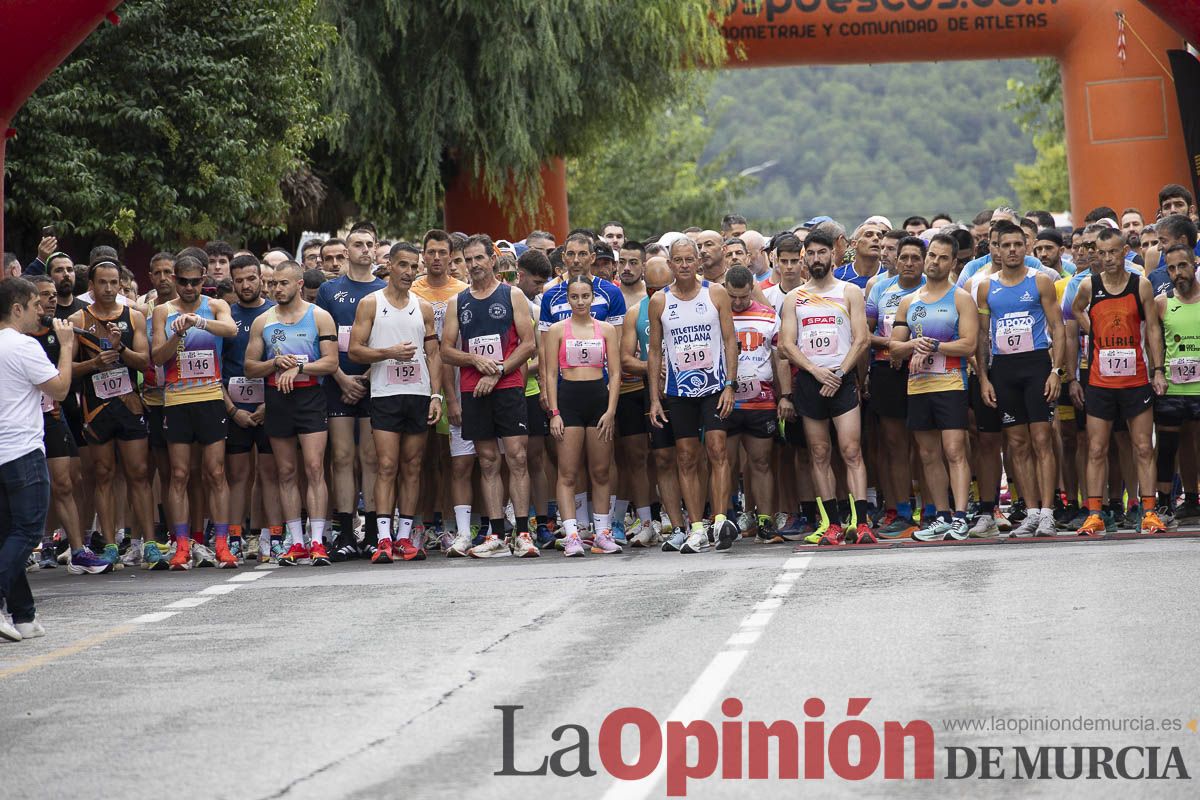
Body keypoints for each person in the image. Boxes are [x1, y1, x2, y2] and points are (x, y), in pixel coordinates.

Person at [440, 234, 537, 558]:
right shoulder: (458, 301)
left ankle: (522, 531)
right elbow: (446, 350)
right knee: (487, 461)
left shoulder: (514, 295)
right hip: (472, 388)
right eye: (467, 260)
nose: (473, 265)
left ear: (492, 259)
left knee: (517, 456)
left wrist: (497, 371)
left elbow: (528, 344)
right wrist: (474, 361)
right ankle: (495, 532)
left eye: (478, 258)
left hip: (507, 386)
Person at [349, 242, 443, 563]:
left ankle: (404, 538)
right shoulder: (370, 304)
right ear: (389, 265)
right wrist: (389, 352)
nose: (408, 272)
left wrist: (436, 395)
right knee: (387, 466)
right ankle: (384, 538)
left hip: (418, 394)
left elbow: (433, 354)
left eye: (413, 266)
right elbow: (355, 350)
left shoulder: (423, 306)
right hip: (385, 394)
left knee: (413, 466)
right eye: (402, 265)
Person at [778, 230, 873, 545]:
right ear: (806, 257)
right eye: (812, 254)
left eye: (823, 253)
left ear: (834, 254)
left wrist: (841, 372)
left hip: (842, 380)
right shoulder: (795, 298)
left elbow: (862, 338)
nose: (817, 259)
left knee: (851, 450)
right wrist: (814, 370)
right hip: (811, 380)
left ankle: (860, 523)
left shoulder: (849, 292)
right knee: (819, 452)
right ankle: (831, 523)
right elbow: (787, 345)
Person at [647, 236, 741, 554]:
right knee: (686, 457)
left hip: (713, 386)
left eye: (690, 260)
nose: (685, 266)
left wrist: (730, 384)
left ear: (698, 262)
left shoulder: (715, 293)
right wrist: (654, 399)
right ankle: (696, 527)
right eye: (679, 261)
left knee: (717, 450)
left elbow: (730, 341)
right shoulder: (660, 301)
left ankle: (719, 520)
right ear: (670, 264)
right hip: (678, 389)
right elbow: (655, 353)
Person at [975, 220, 1067, 538]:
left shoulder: (1040, 281)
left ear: (1026, 247)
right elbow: (982, 339)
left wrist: (1057, 371)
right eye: (1006, 245)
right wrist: (984, 379)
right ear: (996, 249)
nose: (1012, 250)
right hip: (1004, 368)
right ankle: (1029, 512)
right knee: (1016, 443)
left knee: (1042, 439)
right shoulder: (987, 286)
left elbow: (1058, 329)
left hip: (1036, 365)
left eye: (1018, 244)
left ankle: (1047, 512)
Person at [244, 261, 339, 566]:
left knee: (313, 468)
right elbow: (249, 367)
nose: (276, 289)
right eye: (273, 284)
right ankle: (295, 541)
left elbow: (331, 363)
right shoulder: (264, 321)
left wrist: (298, 367)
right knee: (285, 472)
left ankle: (317, 540)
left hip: (310, 395)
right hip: (277, 397)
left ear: (299, 284)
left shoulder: (319, 317)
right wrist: (275, 364)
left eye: (283, 283)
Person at [1072, 228, 1164, 535]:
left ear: (1125, 251)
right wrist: (1093, 331)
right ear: (1096, 254)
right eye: (1102, 252)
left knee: (1142, 447)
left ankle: (1149, 512)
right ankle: (1094, 513)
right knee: (1096, 448)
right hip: (1100, 381)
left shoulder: (1141, 285)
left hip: (1136, 379)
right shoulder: (1089, 284)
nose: (1108, 258)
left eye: (1114, 252)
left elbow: (1152, 328)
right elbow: (1075, 309)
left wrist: (1158, 369)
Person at [151, 255, 239, 569]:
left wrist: (198, 321)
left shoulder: (215, 306)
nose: (189, 288)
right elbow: (157, 358)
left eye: (195, 281)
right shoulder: (162, 310)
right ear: (174, 280)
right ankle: (182, 545)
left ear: (204, 279)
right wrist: (177, 333)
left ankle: (222, 544)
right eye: (183, 281)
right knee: (178, 474)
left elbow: (230, 331)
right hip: (176, 400)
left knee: (215, 472)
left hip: (211, 396)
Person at [0, 278, 76, 642]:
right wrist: (66, 346)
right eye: (34, 305)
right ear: (17, 309)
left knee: (8, 535)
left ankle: (24, 615)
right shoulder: (22, 345)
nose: (41, 311)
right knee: (28, 531)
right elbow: (59, 388)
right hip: (21, 451)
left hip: (5, 452)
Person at [890, 234, 979, 541]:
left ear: (953, 263)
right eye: (933, 257)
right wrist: (913, 344)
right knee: (928, 454)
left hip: (951, 383)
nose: (935, 262)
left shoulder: (960, 298)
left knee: (954, 450)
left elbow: (969, 345)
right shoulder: (908, 302)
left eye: (943, 258)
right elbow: (894, 347)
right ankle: (940, 515)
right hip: (918, 387)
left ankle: (961, 516)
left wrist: (934, 346)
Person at [67, 260, 156, 568]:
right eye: (101, 282)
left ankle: (150, 541)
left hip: (129, 405)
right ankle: (109, 544)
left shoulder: (134, 316)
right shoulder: (78, 318)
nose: (107, 288)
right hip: (96, 407)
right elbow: (67, 370)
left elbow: (145, 361)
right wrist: (95, 363)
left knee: (139, 473)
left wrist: (120, 352)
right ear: (91, 286)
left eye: (113, 282)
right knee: (103, 474)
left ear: (121, 284)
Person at [316, 226, 386, 556]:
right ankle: (344, 532)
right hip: (337, 382)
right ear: (346, 251)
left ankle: (372, 531)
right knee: (342, 457)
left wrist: (367, 377)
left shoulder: (384, 289)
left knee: (371, 458)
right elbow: (322, 340)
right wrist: (343, 378)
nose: (365, 249)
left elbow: (388, 342)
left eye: (370, 244)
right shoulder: (330, 291)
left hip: (376, 382)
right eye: (358, 244)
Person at [543, 277, 623, 555]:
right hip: (569, 401)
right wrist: (554, 412)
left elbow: (615, 373)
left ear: (592, 298)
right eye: (574, 297)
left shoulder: (606, 329)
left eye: (585, 296)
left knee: (600, 471)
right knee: (567, 472)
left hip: (598, 399)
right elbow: (550, 374)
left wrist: (611, 411)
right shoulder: (556, 330)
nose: (580, 302)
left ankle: (602, 532)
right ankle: (573, 534)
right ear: (568, 299)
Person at [222, 254, 282, 562]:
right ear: (232, 282)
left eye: (251, 278)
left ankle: (273, 537)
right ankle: (234, 537)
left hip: (270, 405)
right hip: (235, 408)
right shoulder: (226, 317)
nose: (246, 285)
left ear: (262, 279)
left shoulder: (275, 314)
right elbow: (213, 371)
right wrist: (233, 410)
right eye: (240, 280)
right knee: (238, 475)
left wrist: (267, 405)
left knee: (271, 473)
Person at [864, 236, 925, 537]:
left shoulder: (934, 288)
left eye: (916, 258)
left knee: (925, 445)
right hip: (886, 369)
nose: (910, 263)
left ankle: (931, 509)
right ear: (896, 259)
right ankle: (901, 510)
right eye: (905, 257)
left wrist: (911, 348)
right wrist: (895, 345)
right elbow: (865, 334)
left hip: (927, 371)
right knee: (894, 444)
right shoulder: (878, 288)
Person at [723, 266, 786, 542]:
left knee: (760, 462)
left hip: (760, 399)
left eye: (743, 296)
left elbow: (779, 358)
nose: (737, 302)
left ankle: (765, 520)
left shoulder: (768, 316)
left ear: (753, 289)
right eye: (732, 297)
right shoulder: (717, 315)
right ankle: (723, 519)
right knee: (725, 462)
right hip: (725, 401)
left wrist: (785, 396)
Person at [1153, 245, 1200, 523]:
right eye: (1171, 268)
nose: (1177, 273)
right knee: (1169, 446)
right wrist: (1157, 372)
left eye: (1182, 266)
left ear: (1194, 264)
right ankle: (1165, 505)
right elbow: (1155, 341)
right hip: (1173, 386)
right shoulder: (1162, 302)